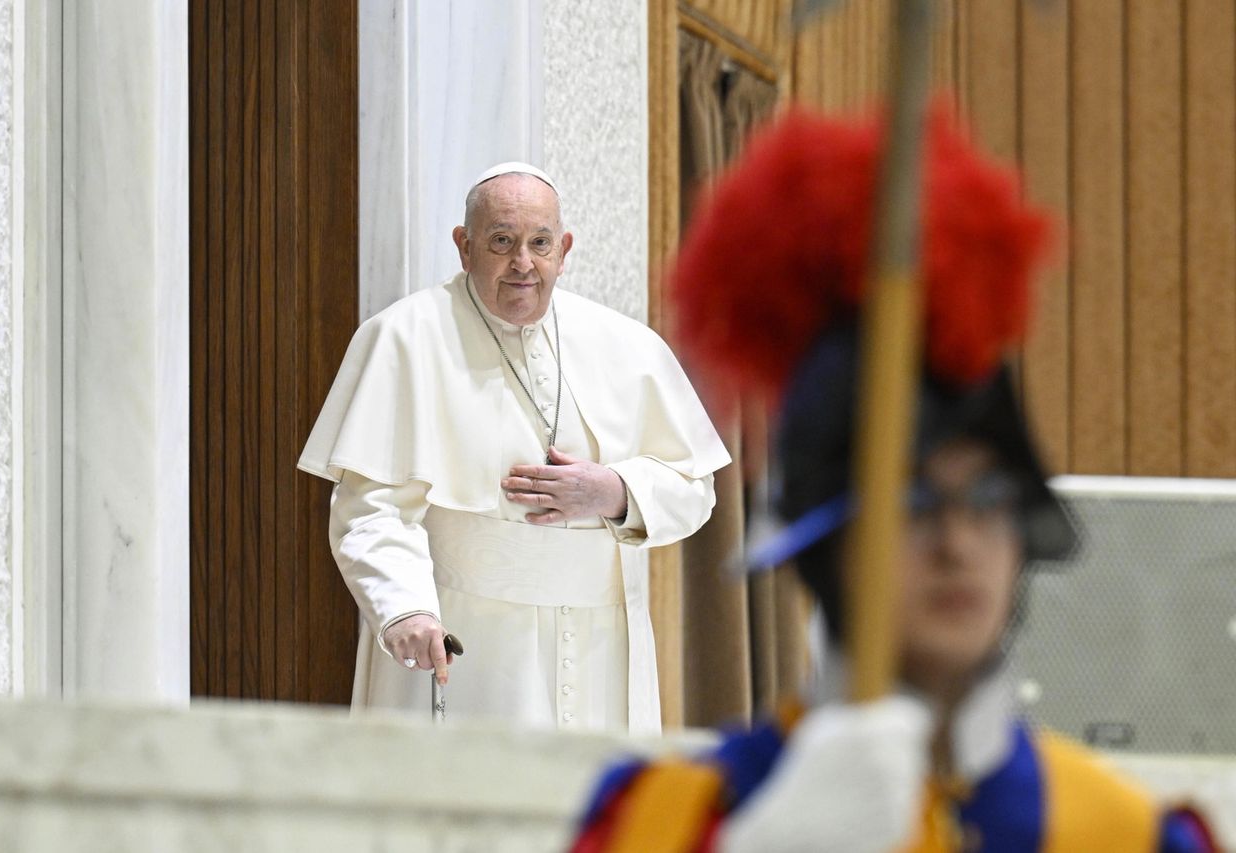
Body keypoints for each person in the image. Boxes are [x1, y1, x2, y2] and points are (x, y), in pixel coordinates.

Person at [570, 106, 1218, 850]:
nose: (957, 543)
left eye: (988, 497)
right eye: (910, 501)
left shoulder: (1124, 834)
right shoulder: (669, 819)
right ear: (824, 539)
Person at [298, 162, 730, 733]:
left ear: (564, 248)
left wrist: (618, 491)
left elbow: (695, 490)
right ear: (464, 245)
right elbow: (369, 510)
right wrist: (404, 607)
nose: (523, 263)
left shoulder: (629, 347)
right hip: (467, 636)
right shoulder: (405, 337)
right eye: (502, 242)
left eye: (539, 243)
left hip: (604, 644)